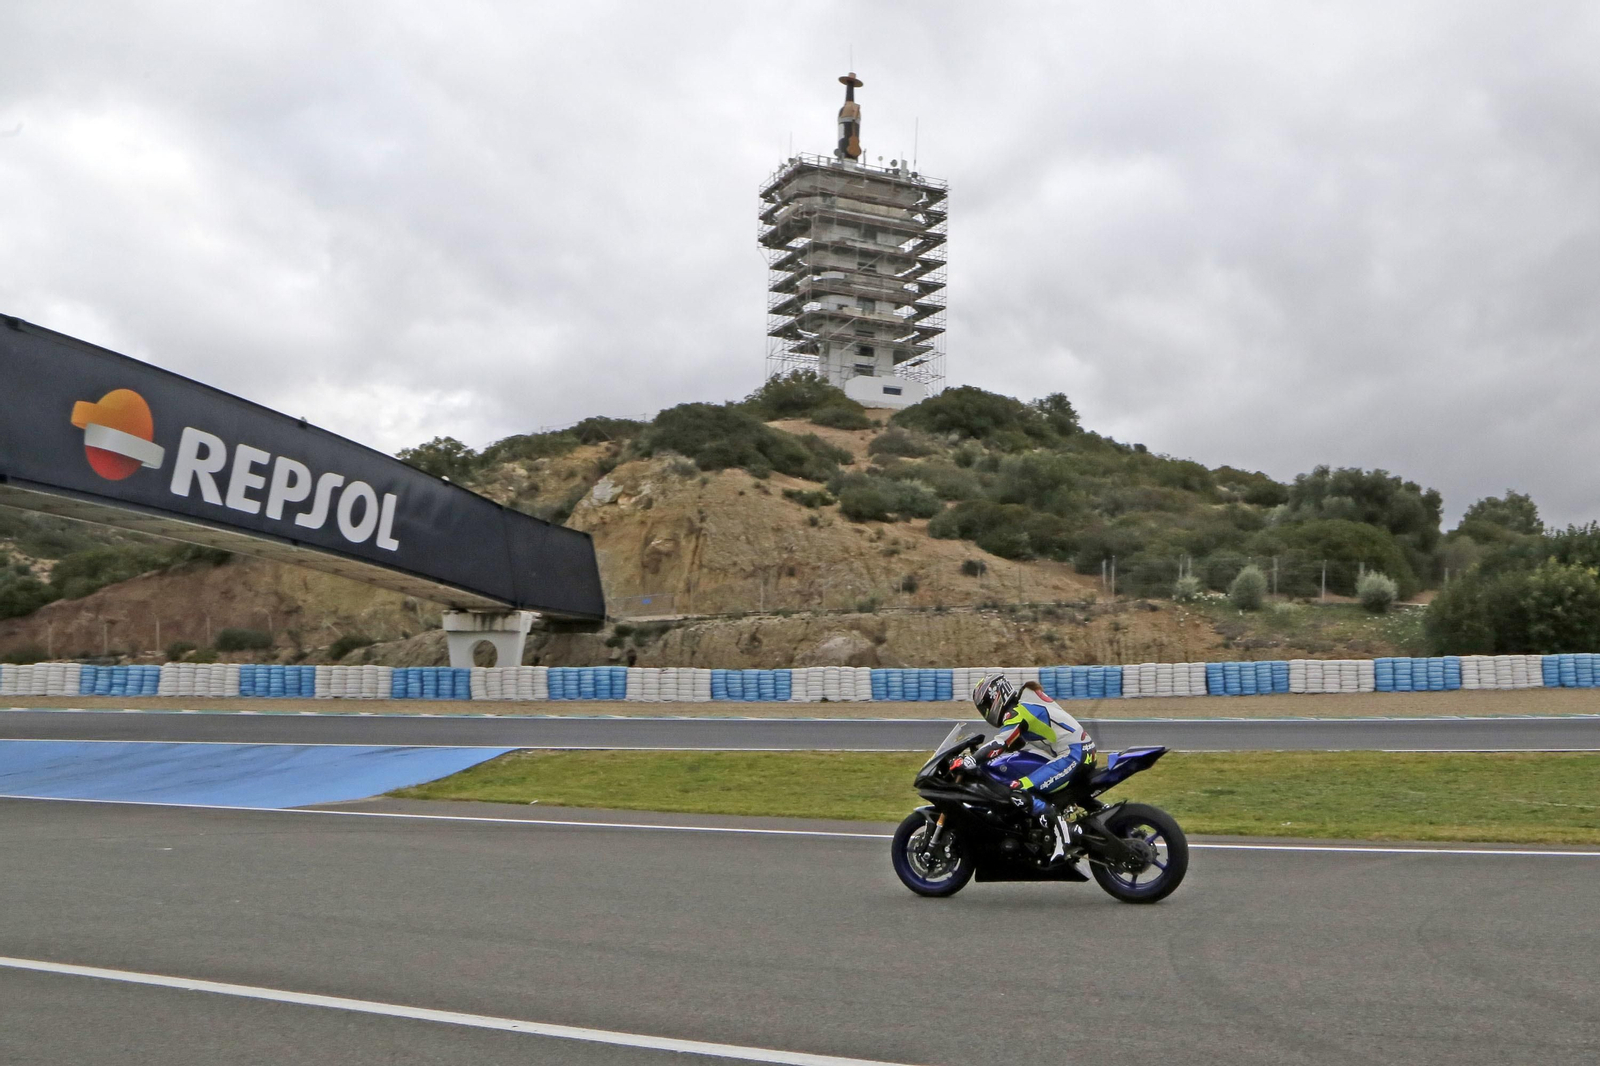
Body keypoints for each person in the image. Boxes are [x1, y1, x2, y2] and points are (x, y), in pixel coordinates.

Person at [948, 672, 1097, 862]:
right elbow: (1013, 743)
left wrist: (970, 760)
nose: (986, 712)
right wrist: (982, 755)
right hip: (1081, 751)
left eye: (986, 706)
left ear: (996, 698)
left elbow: (1000, 743)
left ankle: (1063, 840)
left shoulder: (1018, 712)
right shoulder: (1027, 704)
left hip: (1073, 755)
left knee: (1019, 789)